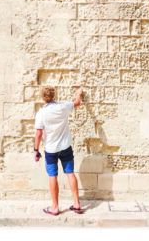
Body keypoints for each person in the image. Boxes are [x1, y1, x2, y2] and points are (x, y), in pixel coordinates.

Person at [34, 86, 84, 215]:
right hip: (65, 147)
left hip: (51, 150)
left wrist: (36, 150)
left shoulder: (41, 113)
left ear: (42, 97)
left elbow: (39, 133)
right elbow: (77, 103)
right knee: (70, 173)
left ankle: (55, 207)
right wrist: (79, 93)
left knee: (53, 176)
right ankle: (77, 204)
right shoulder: (63, 106)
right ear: (54, 95)